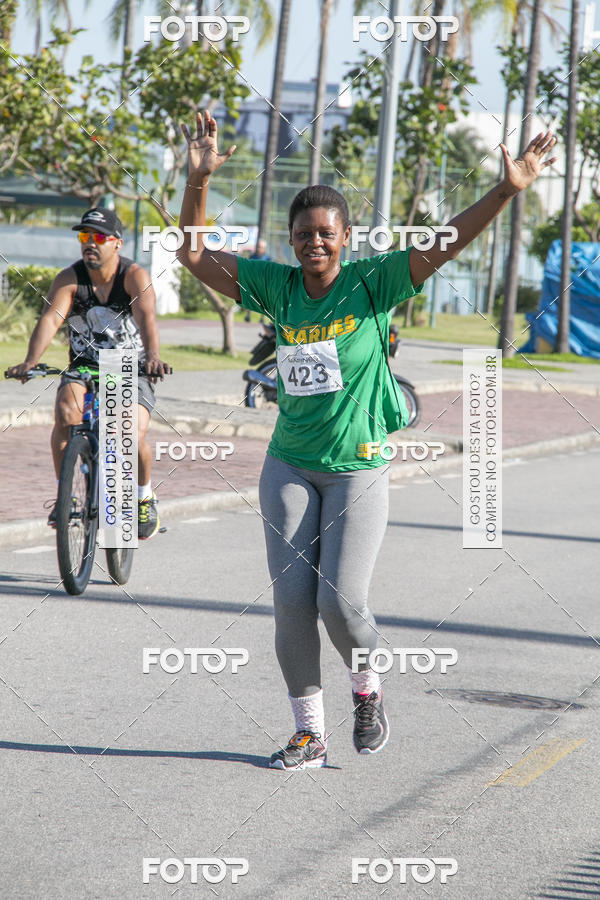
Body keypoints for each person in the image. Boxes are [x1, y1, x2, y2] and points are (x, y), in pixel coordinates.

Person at [177, 111, 556, 769]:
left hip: (359, 465)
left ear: (345, 237)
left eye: (325, 234)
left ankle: (368, 688)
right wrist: (199, 180)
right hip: (289, 463)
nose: (313, 244)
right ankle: (308, 733)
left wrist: (505, 191)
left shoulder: (372, 282)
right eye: (302, 235)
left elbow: (447, 241)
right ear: (291, 240)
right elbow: (191, 254)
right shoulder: (277, 286)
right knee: (293, 603)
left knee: (340, 602)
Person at [7, 207, 172, 541]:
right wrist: (29, 361)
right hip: (84, 365)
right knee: (65, 412)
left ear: (117, 243)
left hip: (129, 366)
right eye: (84, 236)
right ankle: (65, 496)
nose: (90, 243)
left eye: (98, 237)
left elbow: (148, 320)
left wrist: (153, 357)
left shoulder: (133, 276)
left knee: (130, 431)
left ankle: (143, 497)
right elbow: (51, 320)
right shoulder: (70, 277)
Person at [244, 238, 271, 321]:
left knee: (263, 300)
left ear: (264, 248)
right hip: (252, 281)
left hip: (263, 282)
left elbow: (269, 271)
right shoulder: (252, 256)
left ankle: (262, 318)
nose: (259, 249)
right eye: (258, 247)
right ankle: (248, 316)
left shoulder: (267, 258)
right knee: (250, 297)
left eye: (261, 247)